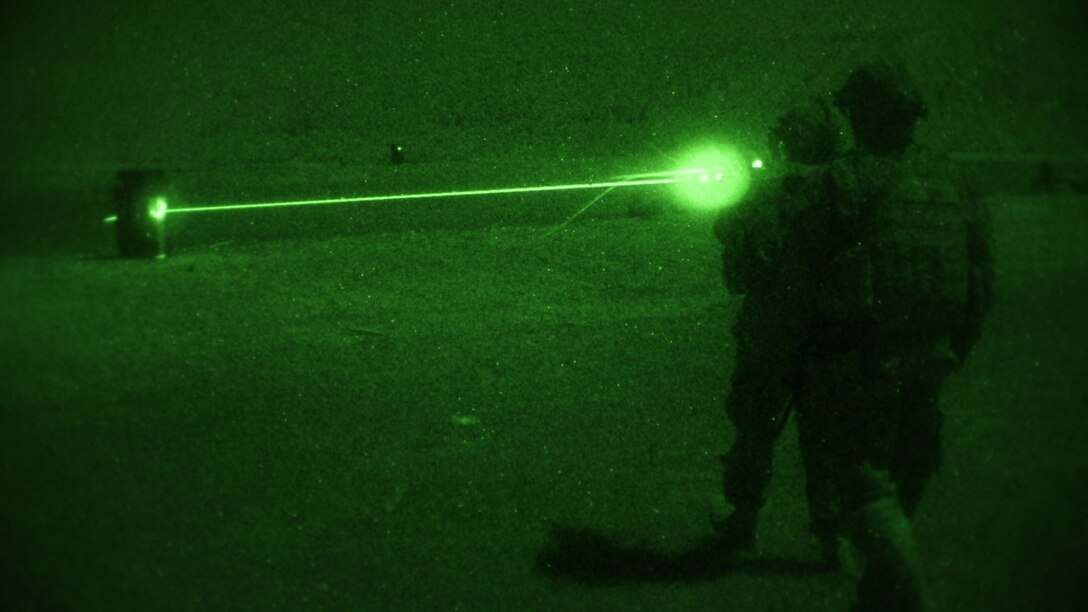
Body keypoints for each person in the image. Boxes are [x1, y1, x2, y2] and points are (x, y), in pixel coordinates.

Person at [786, 61, 994, 611]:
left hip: (864, 363)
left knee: (866, 486)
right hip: (932, 359)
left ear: (862, 115)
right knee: (907, 476)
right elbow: (981, 278)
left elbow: (799, 276)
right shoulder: (955, 181)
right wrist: (956, 349)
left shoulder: (844, 182)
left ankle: (907, 596)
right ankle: (882, 598)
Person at [710, 96, 848, 565]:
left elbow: (730, 231)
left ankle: (742, 521)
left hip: (773, 334)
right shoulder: (845, 189)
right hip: (831, 333)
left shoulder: (771, 192)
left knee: (754, 432)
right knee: (827, 437)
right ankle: (834, 538)